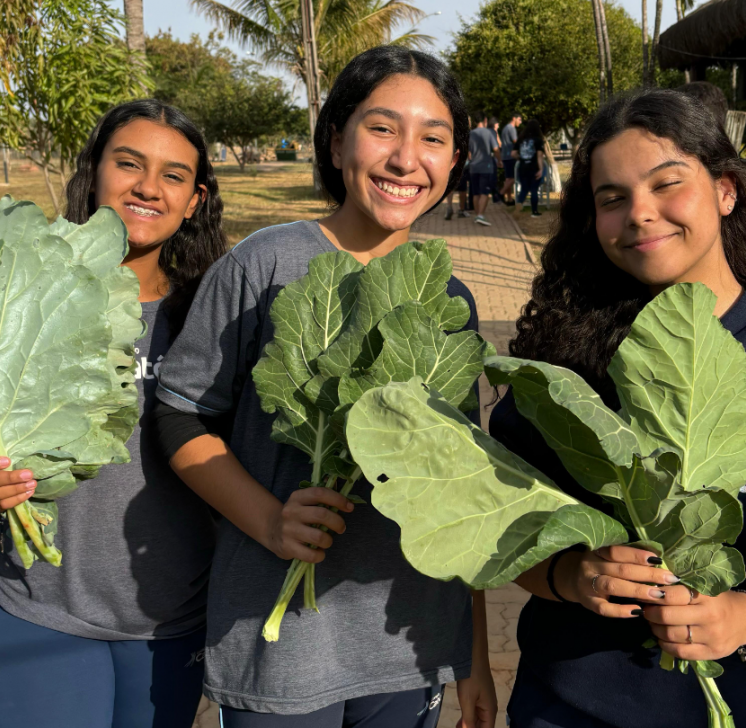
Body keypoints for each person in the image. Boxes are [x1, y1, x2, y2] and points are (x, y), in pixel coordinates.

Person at [493, 89, 746, 728]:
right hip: (566, 710)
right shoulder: (564, 365)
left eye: (667, 183)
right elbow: (504, 523)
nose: (639, 213)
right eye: (612, 199)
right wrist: (569, 576)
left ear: (726, 190)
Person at [152, 46, 497, 728]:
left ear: (455, 161)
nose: (406, 158)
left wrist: (475, 659)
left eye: (433, 138)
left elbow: (462, 489)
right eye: (382, 128)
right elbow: (180, 416)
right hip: (282, 642)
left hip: (410, 639)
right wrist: (271, 521)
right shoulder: (263, 264)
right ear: (337, 139)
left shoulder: (447, 294)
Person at [0, 99, 229, 728]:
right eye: (129, 163)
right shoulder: (12, 299)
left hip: (171, 621)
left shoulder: (215, 316)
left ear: (195, 200)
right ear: (94, 171)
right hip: (35, 610)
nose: (148, 186)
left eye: (173, 175)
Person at [468, 111, 501, 226]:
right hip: (486, 166)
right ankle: (480, 215)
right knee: (485, 192)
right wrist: (500, 161)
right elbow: (496, 149)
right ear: (485, 120)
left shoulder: (471, 134)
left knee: (476, 193)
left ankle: (478, 215)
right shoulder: (489, 133)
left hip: (473, 167)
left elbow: (468, 153)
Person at [514, 118, 545, 218]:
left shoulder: (521, 139)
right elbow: (539, 155)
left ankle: (519, 204)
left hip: (523, 167)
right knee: (534, 189)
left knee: (524, 189)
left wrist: (521, 158)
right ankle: (534, 211)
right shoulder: (538, 140)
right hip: (534, 167)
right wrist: (541, 169)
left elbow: (513, 153)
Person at [499, 113, 522, 205]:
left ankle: (509, 199)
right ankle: (500, 193)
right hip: (510, 156)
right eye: (519, 120)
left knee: (508, 178)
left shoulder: (505, 128)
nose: (520, 122)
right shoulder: (511, 128)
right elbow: (516, 141)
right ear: (514, 118)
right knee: (513, 178)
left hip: (505, 155)